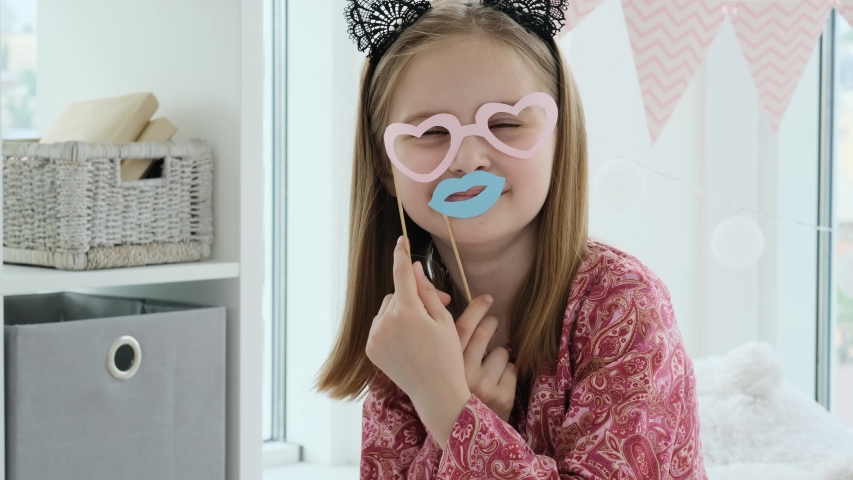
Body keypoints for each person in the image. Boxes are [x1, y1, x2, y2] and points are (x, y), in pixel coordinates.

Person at [316, 1, 707, 478]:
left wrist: (450, 410)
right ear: (387, 166)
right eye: (431, 131)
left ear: (558, 139)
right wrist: (472, 414)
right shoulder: (408, 333)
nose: (467, 159)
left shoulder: (624, 305)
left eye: (504, 124)